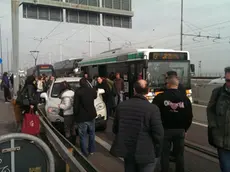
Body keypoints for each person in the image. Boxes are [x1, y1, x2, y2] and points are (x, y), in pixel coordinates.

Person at [110, 80, 164, 172]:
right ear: (147, 91)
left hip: (127, 151)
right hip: (146, 152)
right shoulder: (153, 109)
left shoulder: (122, 106)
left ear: (134, 90)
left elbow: (115, 129)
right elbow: (159, 134)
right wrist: (157, 151)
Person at [152, 71, 193, 172]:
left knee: (164, 154)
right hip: (180, 130)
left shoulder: (160, 97)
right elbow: (189, 116)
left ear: (168, 84)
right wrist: (185, 129)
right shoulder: (185, 99)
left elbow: (153, 113)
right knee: (179, 155)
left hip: (164, 129)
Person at [207, 67, 230, 172]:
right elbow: (210, 110)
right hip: (222, 141)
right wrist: (213, 126)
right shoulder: (217, 93)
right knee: (226, 168)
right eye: (227, 80)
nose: (229, 83)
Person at [73, 78, 97, 157]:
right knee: (92, 134)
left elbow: (75, 105)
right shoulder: (92, 90)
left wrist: (75, 115)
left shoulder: (78, 92)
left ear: (80, 84)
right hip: (91, 115)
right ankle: (91, 150)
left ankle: (84, 152)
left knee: (83, 135)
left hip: (82, 117)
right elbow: (95, 96)